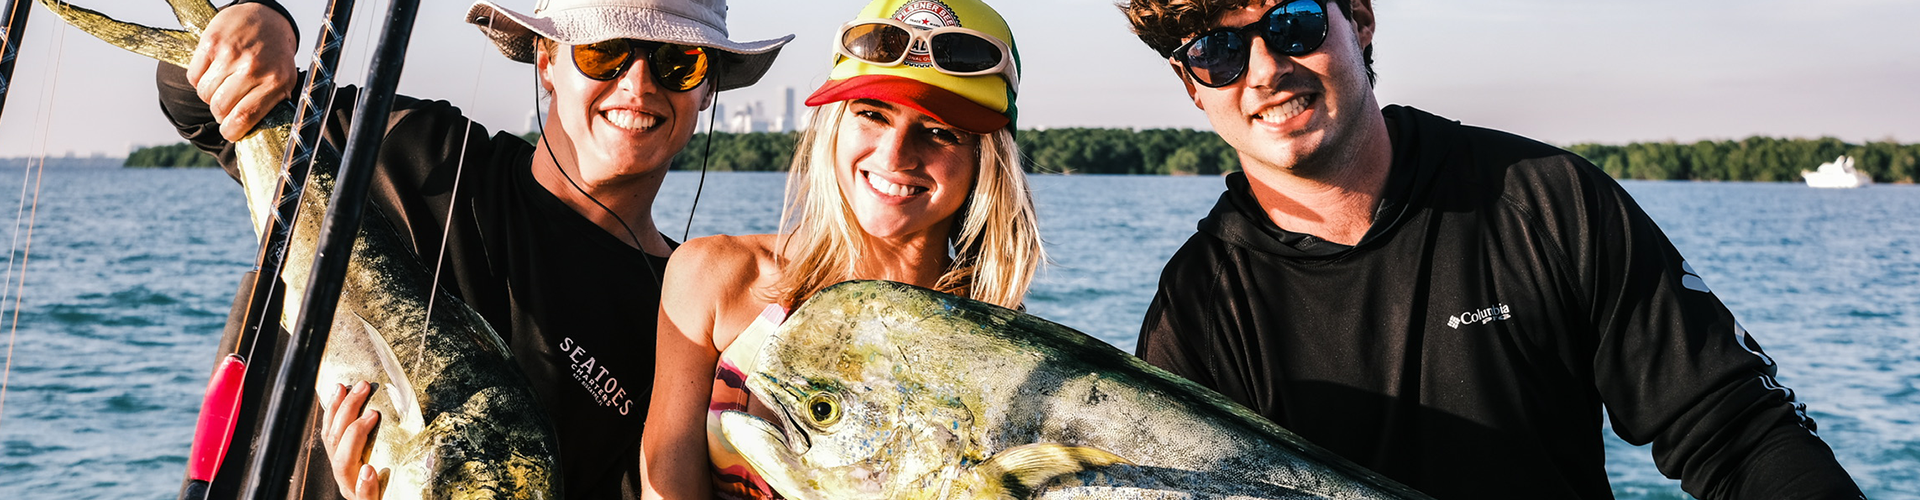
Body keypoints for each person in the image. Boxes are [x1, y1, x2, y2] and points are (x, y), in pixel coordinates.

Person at [1119, 1, 1864, 499]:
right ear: (1191, 87)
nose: (1263, 69)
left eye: (1293, 23)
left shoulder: (1545, 199)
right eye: (1215, 50)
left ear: (1360, 18)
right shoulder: (1198, 308)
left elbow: (1734, 432)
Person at [159, 0, 790, 498]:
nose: (638, 84)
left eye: (678, 62)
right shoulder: (418, 152)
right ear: (546, 59)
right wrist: (254, 26)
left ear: (707, 88)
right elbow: (202, 109)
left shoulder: (683, 324)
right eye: (604, 52)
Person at [637, 0, 1040, 498]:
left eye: (940, 131)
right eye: (872, 114)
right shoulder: (715, 276)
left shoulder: (1002, 342)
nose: (895, 155)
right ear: (834, 125)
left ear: (986, 159)